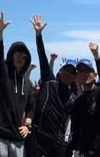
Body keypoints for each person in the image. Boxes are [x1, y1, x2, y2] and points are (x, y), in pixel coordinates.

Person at [0, 11, 35, 157]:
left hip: (17, 139)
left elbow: (32, 106)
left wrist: (27, 125)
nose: (20, 58)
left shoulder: (27, 83)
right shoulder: (2, 73)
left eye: (24, 57)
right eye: (17, 55)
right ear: (11, 56)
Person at [28, 14, 74, 157]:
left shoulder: (73, 98)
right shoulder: (49, 81)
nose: (68, 74)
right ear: (60, 71)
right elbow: (42, 56)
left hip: (57, 146)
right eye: (66, 70)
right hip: (36, 140)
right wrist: (38, 35)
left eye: (72, 72)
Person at [71, 43, 100, 157]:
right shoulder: (77, 102)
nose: (83, 74)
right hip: (85, 151)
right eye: (80, 71)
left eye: (87, 70)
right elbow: (76, 129)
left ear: (95, 75)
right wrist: (75, 149)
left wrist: (97, 57)